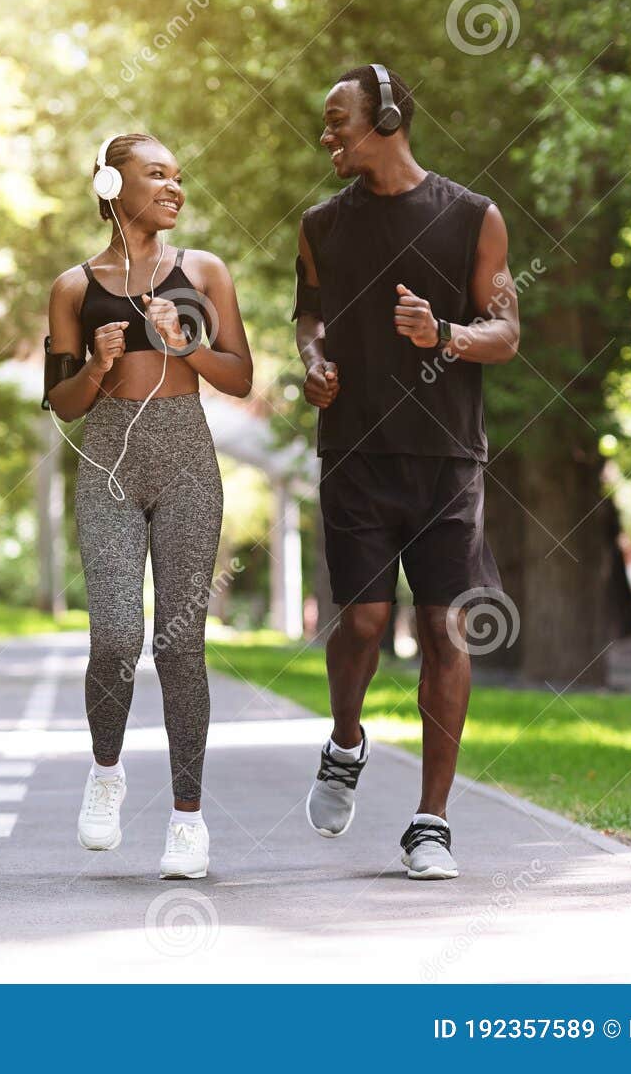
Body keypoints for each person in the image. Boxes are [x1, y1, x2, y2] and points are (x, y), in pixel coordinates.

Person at [292, 65, 521, 880]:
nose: (327, 137)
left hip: (447, 459)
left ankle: (431, 821)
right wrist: (314, 362)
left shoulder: (473, 217)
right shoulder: (320, 223)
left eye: (337, 121)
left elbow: (506, 331)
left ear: (385, 116)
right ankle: (345, 741)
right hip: (353, 451)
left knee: (443, 629)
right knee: (358, 623)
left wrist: (445, 335)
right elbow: (309, 316)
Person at [43, 132, 253, 880]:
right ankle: (106, 772)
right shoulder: (73, 286)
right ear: (111, 184)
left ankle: (187, 821)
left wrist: (185, 346)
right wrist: (98, 367)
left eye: (178, 177)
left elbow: (239, 375)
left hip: (187, 459)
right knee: (115, 634)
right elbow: (60, 403)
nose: (173, 188)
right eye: (155, 175)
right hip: (108, 461)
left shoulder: (204, 271)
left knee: (179, 642)